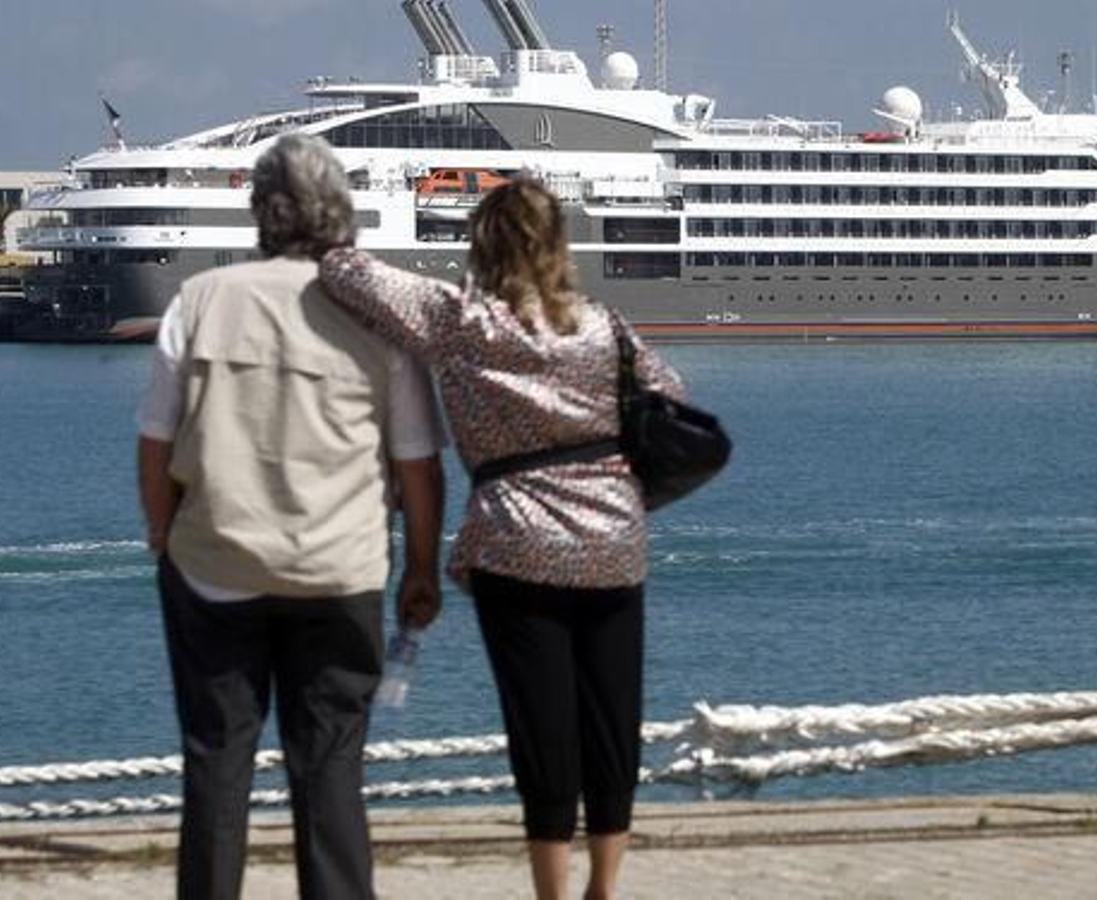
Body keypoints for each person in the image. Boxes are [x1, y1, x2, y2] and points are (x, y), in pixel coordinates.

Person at [318, 176, 685, 900]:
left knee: (540, 725)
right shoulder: (603, 327)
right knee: (613, 719)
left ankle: (552, 893)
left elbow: (348, 271)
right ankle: (603, 888)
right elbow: (669, 396)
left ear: (481, 245)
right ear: (558, 245)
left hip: (515, 546)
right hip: (613, 540)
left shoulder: (460, 321)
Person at [135, 133, 446, 900]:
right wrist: (421, 568)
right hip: (339, 569)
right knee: (332, 765)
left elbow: (156, 444)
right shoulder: (375, 313)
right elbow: (416, 464)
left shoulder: (201, 301)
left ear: (259, 213)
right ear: (341, 213)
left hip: (214, 565)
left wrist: (163, 540)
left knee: (215, 758)